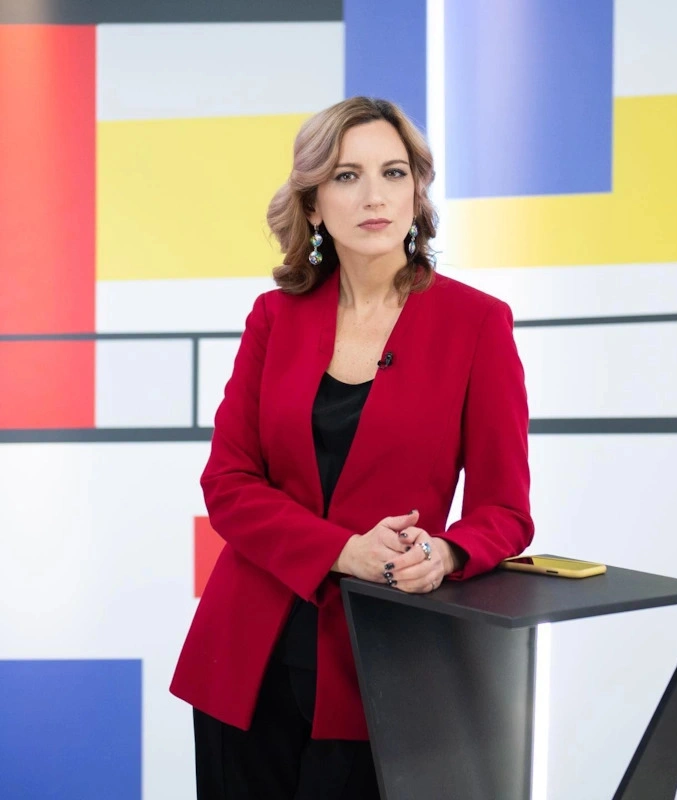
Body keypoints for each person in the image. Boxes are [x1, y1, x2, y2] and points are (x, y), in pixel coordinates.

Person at [170, 96, 534, 799]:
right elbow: (229, 483)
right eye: (346, 176)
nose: (375, 196)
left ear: (417, 192)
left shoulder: (478, 324)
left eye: (394, 173)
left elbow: (505, 512)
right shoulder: (274, 317)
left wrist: (446, 553)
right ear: (312, 205)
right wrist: (342, 551)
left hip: (383, 664)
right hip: (244, 660)